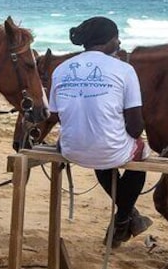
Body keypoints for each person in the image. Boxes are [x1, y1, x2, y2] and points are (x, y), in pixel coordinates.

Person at [48, 16, 152, 247]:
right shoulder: (124, 69)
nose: (119, 43)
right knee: (141, 152)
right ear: (110, 41)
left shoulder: (61, 69)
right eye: (117, 39)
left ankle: (129, 217)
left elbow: (55, 114)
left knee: (101, 149)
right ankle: (124, 216)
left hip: (71, 150)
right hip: (105, 152)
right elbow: (136, 128)